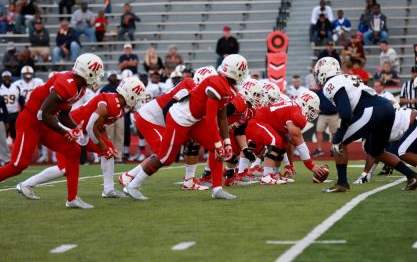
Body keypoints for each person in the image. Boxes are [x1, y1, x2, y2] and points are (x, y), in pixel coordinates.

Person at [120, 54, 249, 200]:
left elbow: (222, 116)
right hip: (179, 119)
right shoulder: (216, 84)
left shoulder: (228, 88)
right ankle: (132, 185)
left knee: (215, 147)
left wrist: (225, 142)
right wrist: (220, 142)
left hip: (194, 119)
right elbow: (212, 117)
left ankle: (217, 189)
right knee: (166, 158)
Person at [17, 77, 147, 199]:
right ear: (130, 94)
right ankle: (26, 184)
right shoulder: (113, 104)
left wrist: (106, 145)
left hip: (82, 133)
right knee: (64, 168)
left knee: (109, 150)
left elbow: (100, 126)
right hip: (70, 129)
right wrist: (103, 146)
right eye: (137, 97)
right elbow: (91, 126)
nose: (138, 100)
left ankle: (108, 189)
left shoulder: (118, 106)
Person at [3, 54, 104, 209]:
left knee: (73, 151)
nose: (97, 78)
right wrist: (65, 132)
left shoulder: (80, 89)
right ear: (87, 73)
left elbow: (62, 114)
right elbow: (42, 114)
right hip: (30, 121)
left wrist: (74, 127)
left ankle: (72, 199)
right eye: (96, 74)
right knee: (18, 165)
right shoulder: (68, 84)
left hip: (45, 123)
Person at [314, 57, 417, 192]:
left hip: (372, 110)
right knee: (377, 151)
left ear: (324, 71)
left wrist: (340, 132)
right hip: (386, 108)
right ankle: (412, 175)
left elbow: (346, 113)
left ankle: (342, 183)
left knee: (338, 143)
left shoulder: (331, 84)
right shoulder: (346, 77)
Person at [246, 90, 327, 184]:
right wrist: (311, 165)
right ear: (305, 104)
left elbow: (290, 139)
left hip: (259, 121)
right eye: (311, 109)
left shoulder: (294, 108)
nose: (312, 113)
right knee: (275, 140)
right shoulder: (296, 113)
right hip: (255, 121)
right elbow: (298, 141)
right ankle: (266, 176)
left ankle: (275, 174)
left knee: (282, 142)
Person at [100, 71, 124, 163]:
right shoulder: (104, 89)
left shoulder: (120, 89)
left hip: (120, 114)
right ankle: (110, 155)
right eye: (112, 76)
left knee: (120, 136)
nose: (113, 78)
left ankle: (119, 157)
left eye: (115, 76)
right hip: (109, 115)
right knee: (109, 136)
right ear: (108, 78)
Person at [312, 84, 339, 158]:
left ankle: (333, 148)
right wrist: (316, 108)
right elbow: (315, 101)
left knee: (334, 133)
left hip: (334, 115)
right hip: (322, 115)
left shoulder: (334, 91)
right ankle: (319, 149)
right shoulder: (319, 92)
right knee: (319, 131)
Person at [0, 70, 24, 141]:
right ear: (2, 78)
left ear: (11, 78)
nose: (7, 79)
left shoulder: (17, 87)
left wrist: (22, 113)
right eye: (5, 77)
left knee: (15, 135)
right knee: (3, 136)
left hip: (14, 114)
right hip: (2, 115)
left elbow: (22, 102)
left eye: (8, 77)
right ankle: (4, 152)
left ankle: (15, 151)